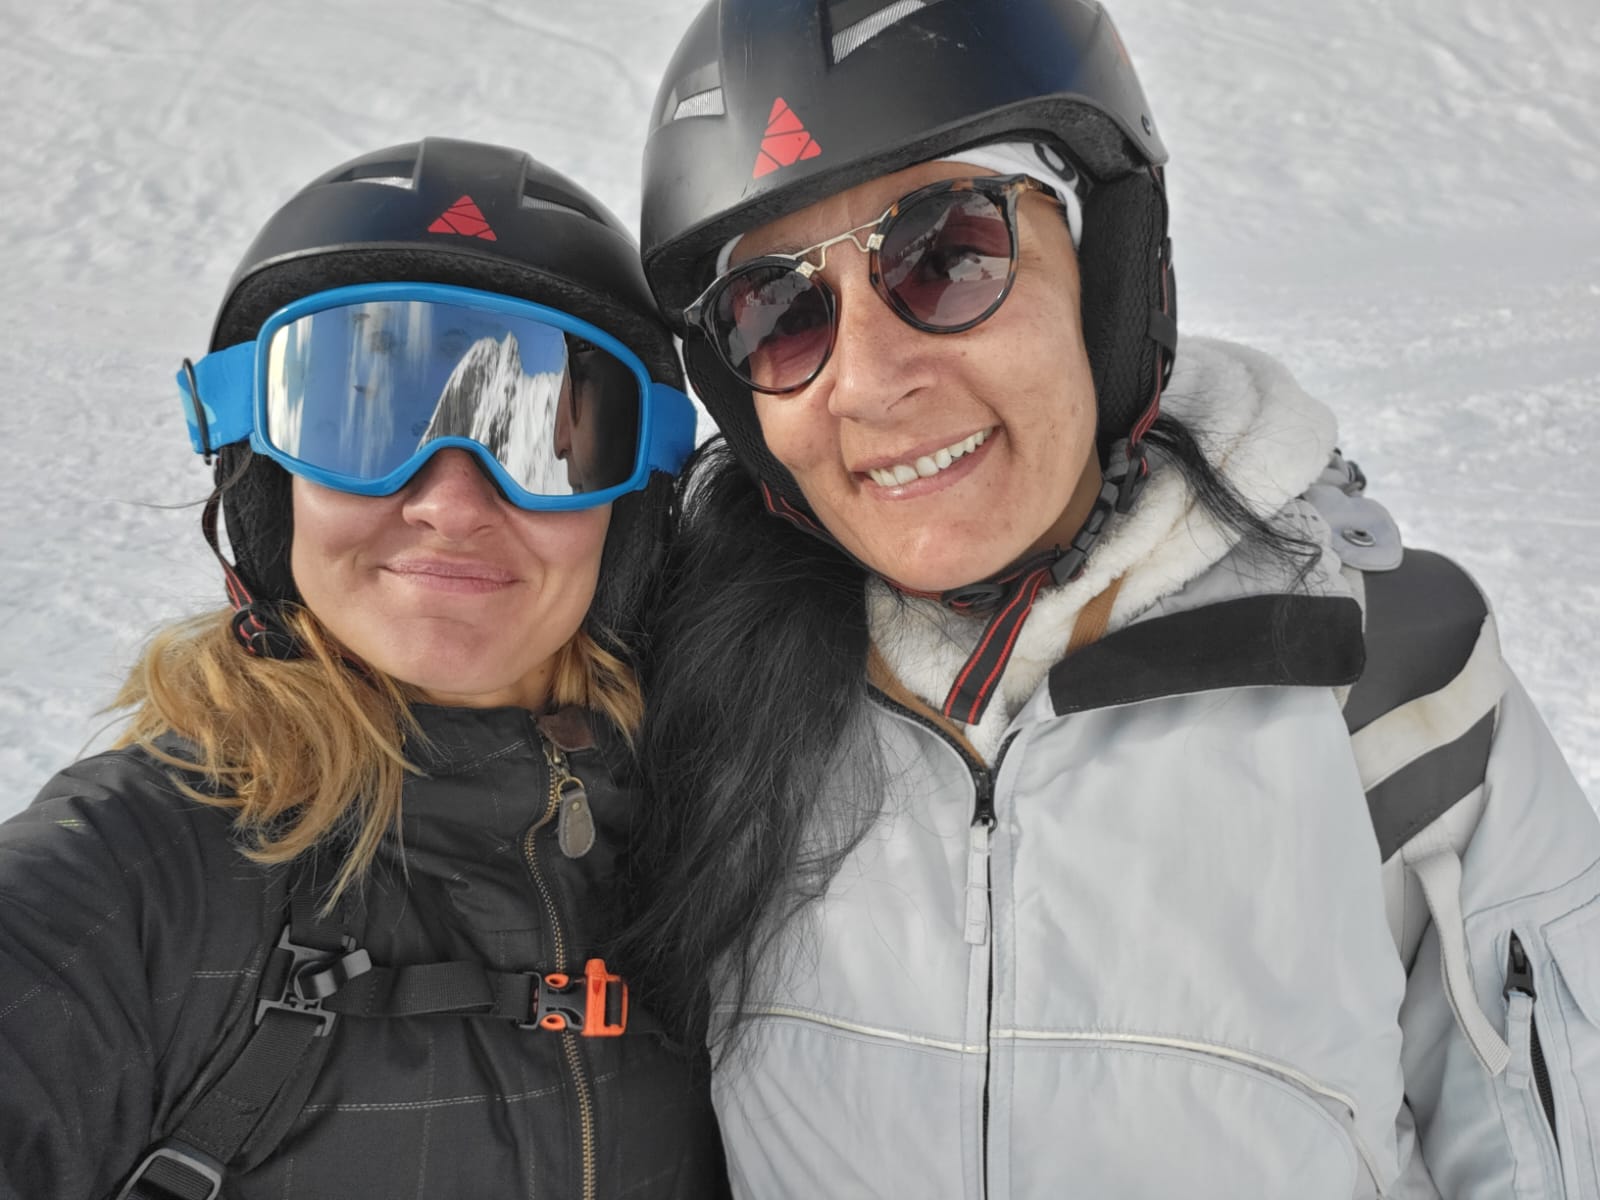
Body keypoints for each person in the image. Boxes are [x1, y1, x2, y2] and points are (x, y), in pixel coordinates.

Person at [619, 3, 1600, 1197]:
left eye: (946, 254)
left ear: (1108, 270)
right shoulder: (706, 705)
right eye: (776, 314)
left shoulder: (1385, 678)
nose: (868, 384)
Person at [0, 137, 726, 1199]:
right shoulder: (137, 876)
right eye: (363, 419)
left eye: (537, 435)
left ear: (630, 511)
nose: (452, 504)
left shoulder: (733, 841)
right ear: (264, 480)